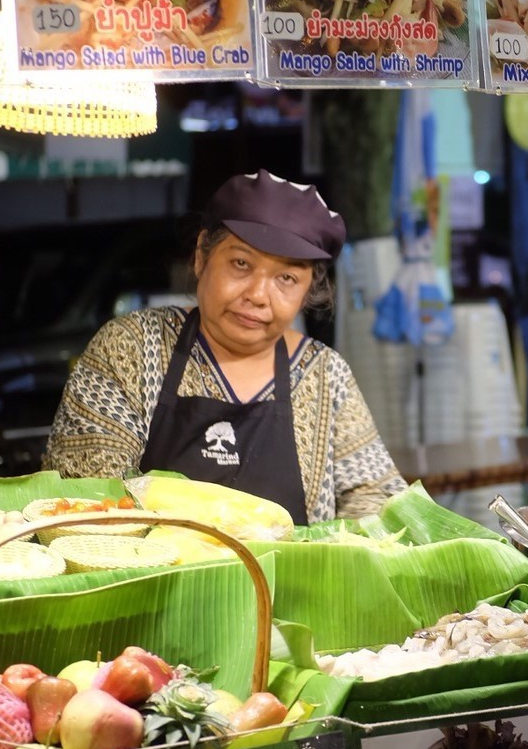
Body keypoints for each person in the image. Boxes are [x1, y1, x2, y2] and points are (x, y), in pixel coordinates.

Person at [44, 170, 405, 523]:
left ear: (307, 290)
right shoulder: (133, 347)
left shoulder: (325, 374)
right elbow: (87, 490)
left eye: (286, 278)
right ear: (202, 254)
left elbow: (376, 500)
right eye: (241, 263)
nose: (258, 295)